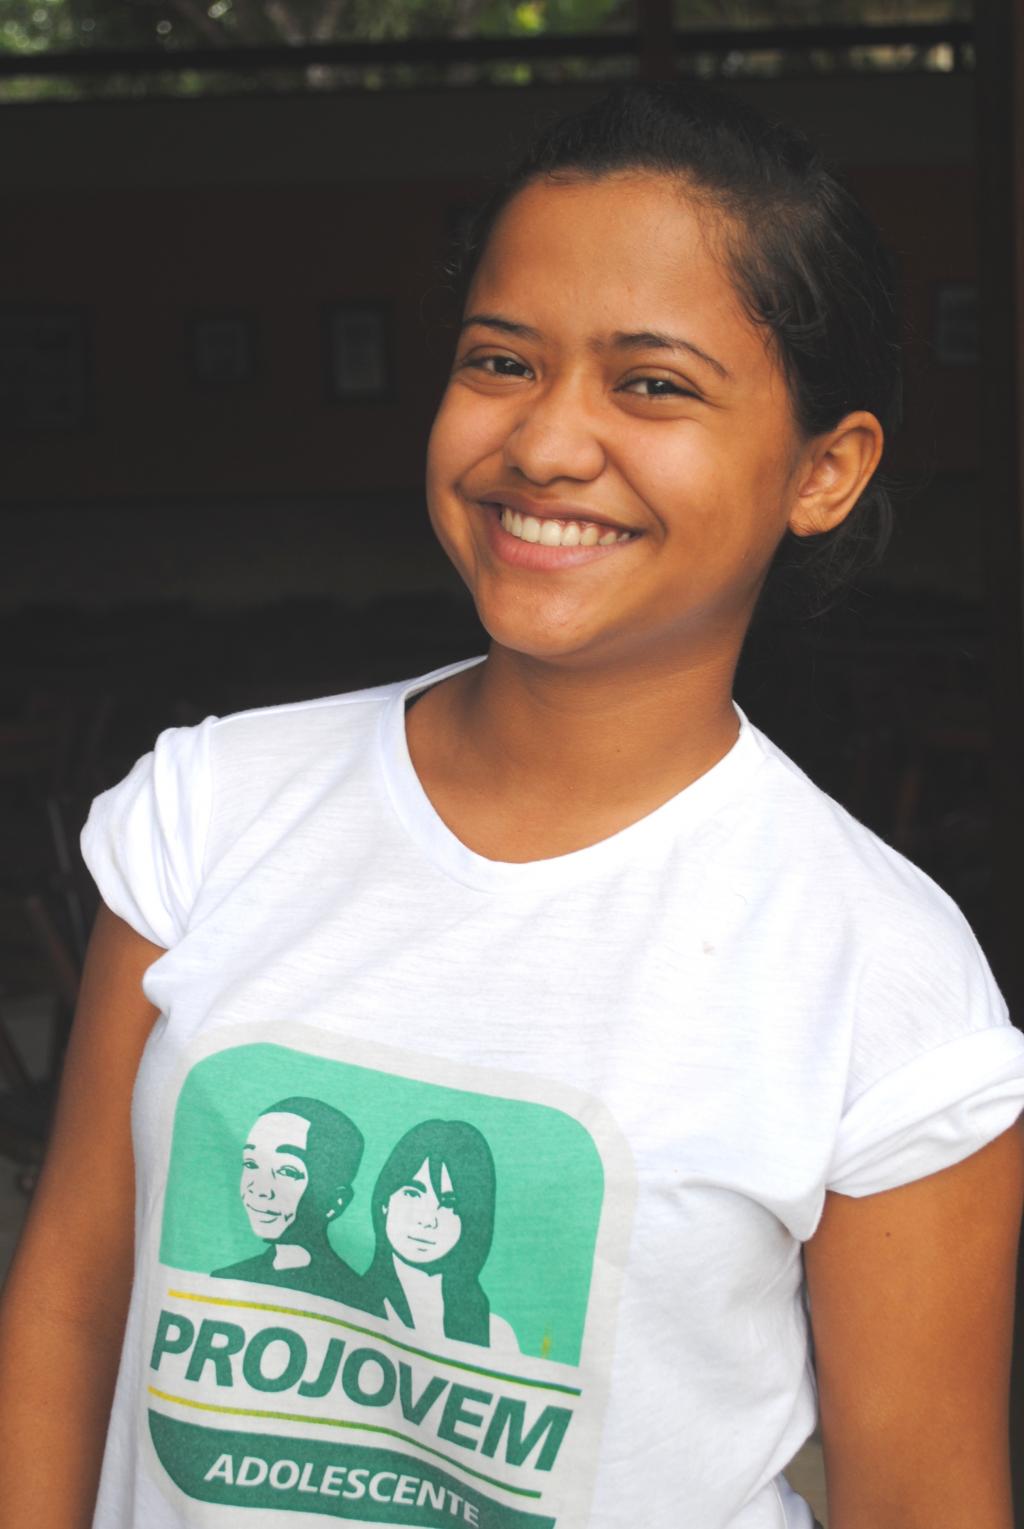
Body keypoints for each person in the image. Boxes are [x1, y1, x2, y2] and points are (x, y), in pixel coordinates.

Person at [1, 80, 1023, 1529]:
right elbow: (67, 1306)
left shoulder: (883, 974)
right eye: (500, 360)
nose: (544, 444)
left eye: (651, 384)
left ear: (825, 469)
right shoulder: (210, 813)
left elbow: (922, 1495)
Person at [355, 1118, 519, 1351]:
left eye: (449, 1203)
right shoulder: (348, 1302)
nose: (427, 1220)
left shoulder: (496, 1335)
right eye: (413, 1194)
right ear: (384, 1204)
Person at [210, 1095, 365, 1305]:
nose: (259, 1189)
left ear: (336, 1202)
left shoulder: (357, 1299)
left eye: (287, 1171)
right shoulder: (225, 1281)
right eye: (251, 1164)